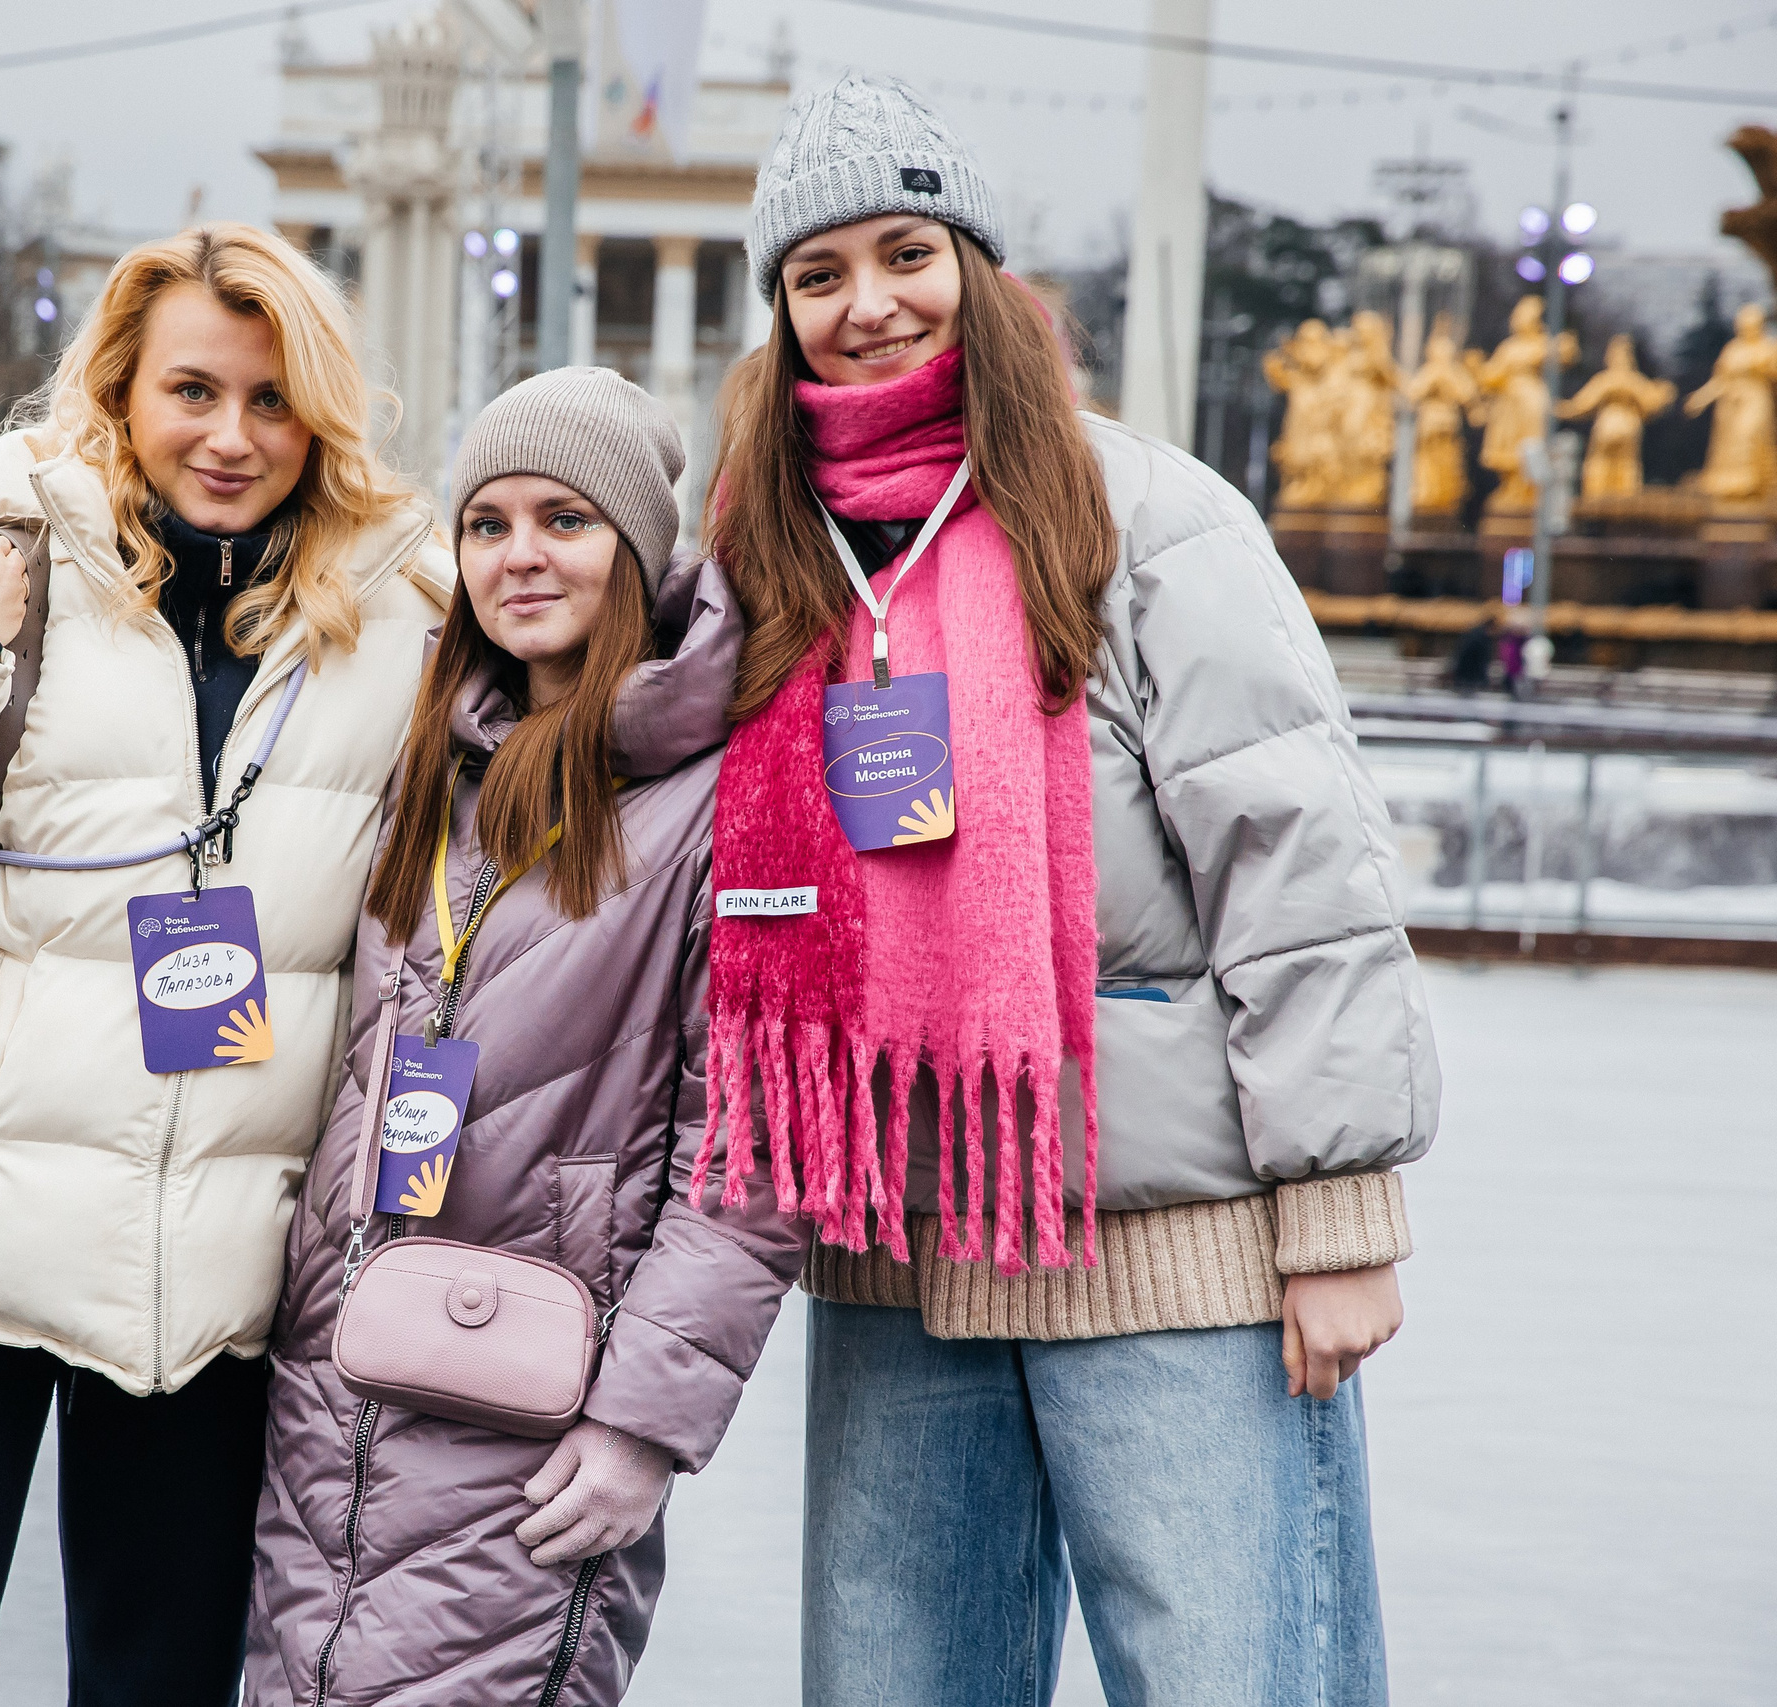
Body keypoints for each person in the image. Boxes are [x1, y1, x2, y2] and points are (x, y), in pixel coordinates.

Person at [698, 75, 1440, 1706]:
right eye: (817, 276)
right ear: (780, 316)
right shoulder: (764, 561)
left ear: (973, 261)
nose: (868, 305)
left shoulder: (1148, 520)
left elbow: (1300, 871)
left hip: (1169, 1243)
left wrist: (1340, 1214)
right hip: (903, 1248)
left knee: (1233, 1676)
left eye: (904, 252)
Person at [0, 224, 453, 1705]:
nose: (232, 436)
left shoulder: (401, 619)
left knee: (165, 1687)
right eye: (194, 390)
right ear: (121, 387)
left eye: (272, 401)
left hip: (215, 1284)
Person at [244, 368, 806, 1706]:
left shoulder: (721, 805)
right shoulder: (439, 762)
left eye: (564, 519)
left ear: (636, 549)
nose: (520, 555)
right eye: (488, 523)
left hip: (535, 1416)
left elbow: (750, 1152)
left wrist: (642, 1427)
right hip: (335, 1391)